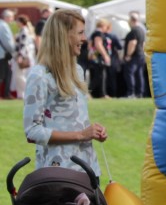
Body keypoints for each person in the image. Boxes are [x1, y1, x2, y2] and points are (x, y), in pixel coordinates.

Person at [23, 9, 108, 175]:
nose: (84, 38)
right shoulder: (39, 75)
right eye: (80, 33)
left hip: (88, 169)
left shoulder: (77, 70)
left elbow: (74, 120)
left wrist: (92, 132)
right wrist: (81, 134)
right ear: (63, 35)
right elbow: (32, 132)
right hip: (58, 174)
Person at [10, 15, 38, 99]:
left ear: (21, 22)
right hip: (20, 55)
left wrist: (20, 56)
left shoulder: (24, 31)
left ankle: (29, 91)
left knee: (19, 75)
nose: (16, 23)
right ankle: (20, 94)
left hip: (22, 56)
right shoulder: (22, 30)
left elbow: (23, 44)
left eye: (17, 21)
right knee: (18, 75)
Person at [122, 11, 148, 98]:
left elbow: (133, 43)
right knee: (139, 74)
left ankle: (131, 93)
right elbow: (144, 43)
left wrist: (128, 55)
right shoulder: (142, 30)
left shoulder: (134, 31)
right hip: (141, 55)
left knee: (129, 73)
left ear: (132, 20)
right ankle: (140, 93)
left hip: (134, 56)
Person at [88, 19, 115, 99]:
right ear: (103, 25)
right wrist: (105, 55)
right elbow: (98, 44)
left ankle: (102, 93)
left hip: (96, 57)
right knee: (99, 76)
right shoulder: (98, 33)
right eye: (107, 27)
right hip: (98, 58)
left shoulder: (95, 33)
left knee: (101, 75)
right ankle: (88, 91)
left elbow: (90, 45)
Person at [1, 9, 17, 99]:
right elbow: (8, 42)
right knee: (3, 75)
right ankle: (5, 94)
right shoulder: (3, 26)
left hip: (2, 54)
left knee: (7, 74)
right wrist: (14, 51)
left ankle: (6, 94)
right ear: (7, 17)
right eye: (12, 17)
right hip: (3, 54)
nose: (12, 19)